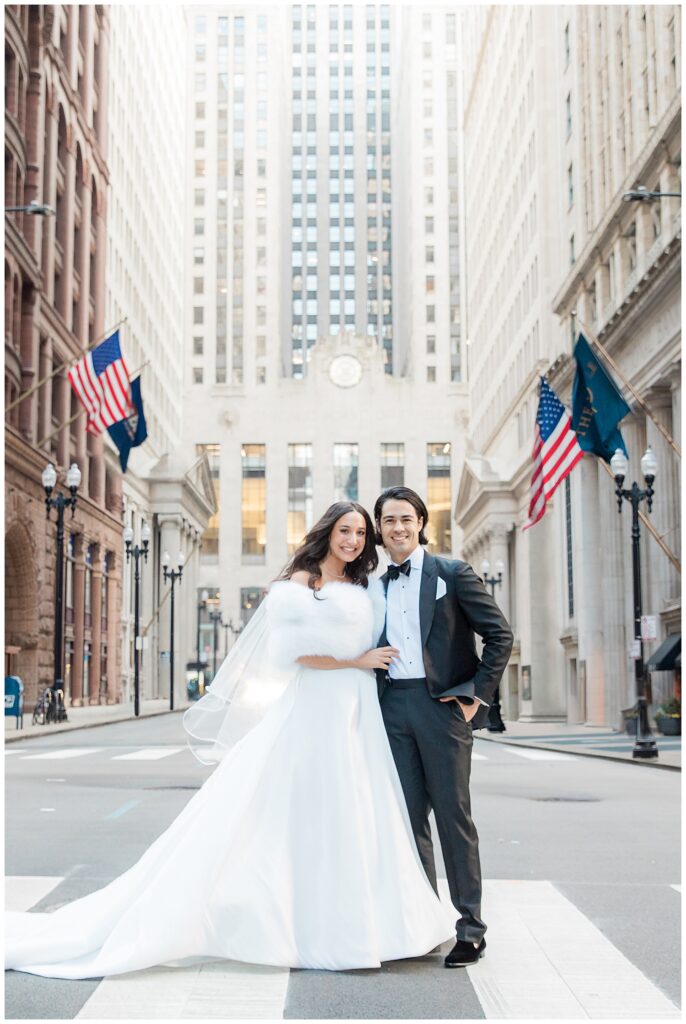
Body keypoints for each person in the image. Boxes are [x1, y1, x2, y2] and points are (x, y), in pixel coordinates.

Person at [6, 502, 454, 980]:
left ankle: (379, 924)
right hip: (318, 710)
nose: (353, 540)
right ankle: (318, 929)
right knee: (320, 812)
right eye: (345, 530)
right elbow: (297, 655)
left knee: (362, 812)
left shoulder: (365, 584)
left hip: (359, 713)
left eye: (361, 533)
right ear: (326, 533)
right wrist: (356, 662)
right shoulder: (300, 586)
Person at [373, 486, 514, 968]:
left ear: (420, 523)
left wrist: (476, 696)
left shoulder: (451, 573)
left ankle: (470, 929)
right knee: (408, 822)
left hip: (442, 707)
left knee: (454, 820)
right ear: (379, 528)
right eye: (389, 520)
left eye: (406, 519)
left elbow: (500, 634)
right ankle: (422, 922)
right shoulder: (373, 583)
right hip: (392, 707)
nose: (398, 528)